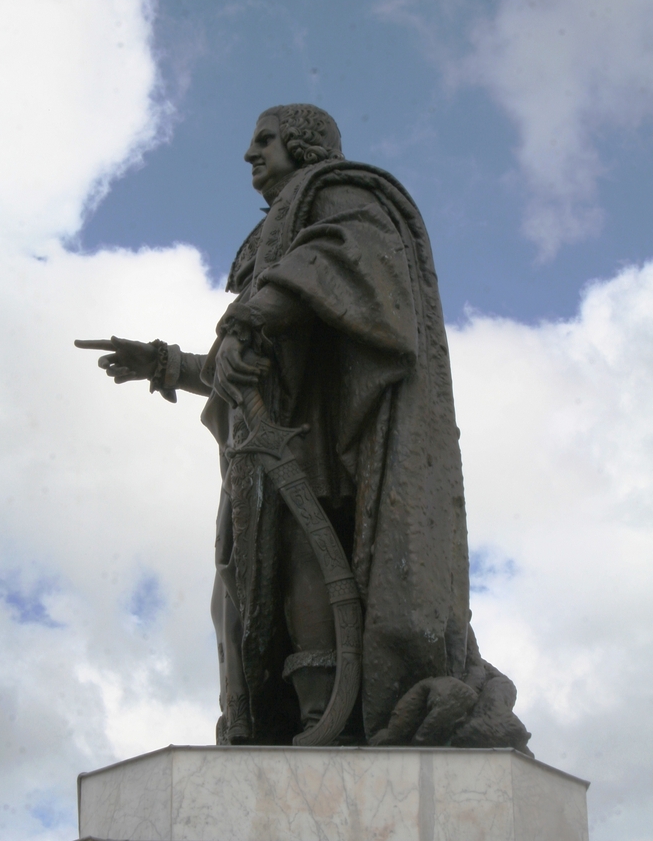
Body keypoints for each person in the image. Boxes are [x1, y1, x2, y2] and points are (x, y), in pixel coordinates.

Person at [77, 104, 531, 752]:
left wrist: (254, 316)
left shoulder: (341, 193)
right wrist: (168, 364)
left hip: (321, 430)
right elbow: (243, 371)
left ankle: (324, 719)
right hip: (262, 443)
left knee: (304, 558)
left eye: (264, 140)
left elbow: (345, 258)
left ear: (304, 142)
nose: (249, 154)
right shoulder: (276, 232)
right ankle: (278, 717)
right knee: (237, 593)